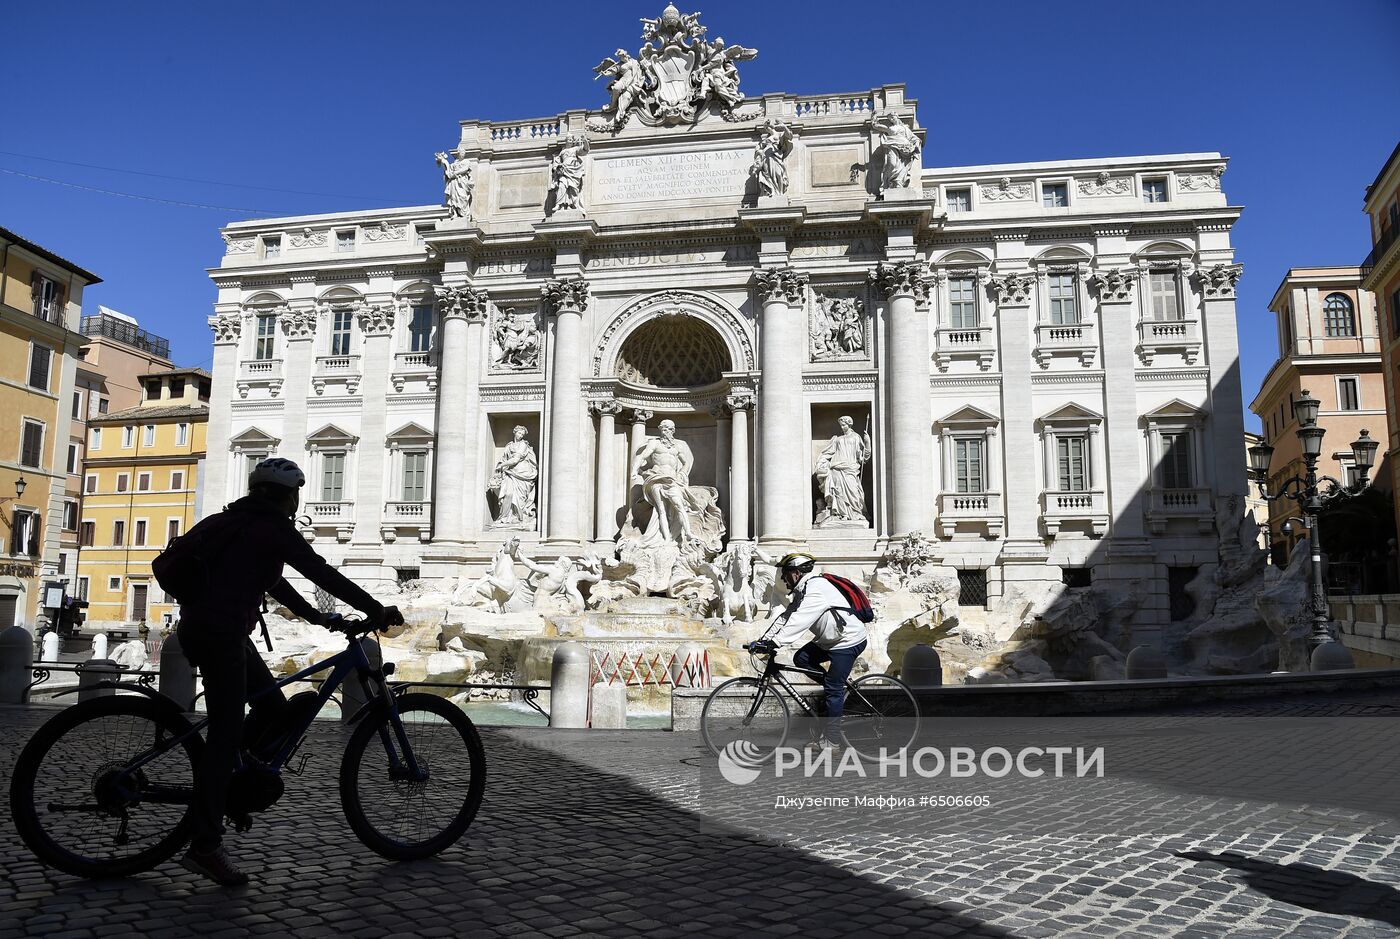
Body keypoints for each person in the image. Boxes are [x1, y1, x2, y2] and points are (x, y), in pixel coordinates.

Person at [174, 457, 401, 885]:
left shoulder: (233, 520)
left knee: (271, 709)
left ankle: (233, 782)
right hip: (223, 635)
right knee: (224, 733)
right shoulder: (273, 527)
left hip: (206, 629)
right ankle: (205, 843)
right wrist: (375, 609)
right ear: (291, 497)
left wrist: (319, 618)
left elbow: (274, 582)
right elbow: (320, 571)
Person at [767, 552, 868, 750]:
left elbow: (800, 620)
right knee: (802, 658)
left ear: (796, 573)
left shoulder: (816, 588)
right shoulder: (803, 590)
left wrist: (776, 642)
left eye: (785, 573)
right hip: (829, 640)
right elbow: (786, 617)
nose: (782, 579)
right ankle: (836, 691)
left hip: (847, 641)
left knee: (832, 688)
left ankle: (832, 741)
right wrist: (764, 640)